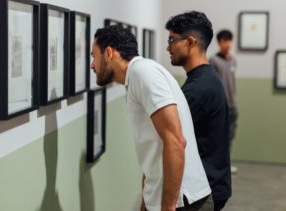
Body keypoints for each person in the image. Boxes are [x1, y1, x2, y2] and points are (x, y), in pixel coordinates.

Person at [90, 25, 212, 211]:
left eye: (93, 56)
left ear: (108, 53)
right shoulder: (138, 75)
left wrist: (168, 206)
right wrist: (147, 200)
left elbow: (175, 141)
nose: (92, 64)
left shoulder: (142, 74)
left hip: (183, 201)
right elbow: (154, 148)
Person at [165, 11, 232, 211]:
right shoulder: (206, 78)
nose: (168, 47)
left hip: (203, 192)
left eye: (172, 40)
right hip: (214, 182)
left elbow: (172, 141)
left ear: (190, 42)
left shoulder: (197, 89)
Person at [209, 30, 238, 174]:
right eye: (225, 40)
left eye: (230, 40)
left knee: (230, 135)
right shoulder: (213, 61)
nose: (228, 43)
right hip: (221, 106)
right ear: (219, 42)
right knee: (220, 137)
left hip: (233, 105)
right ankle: (219, 166)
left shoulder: (233, 60)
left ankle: (227, 163)